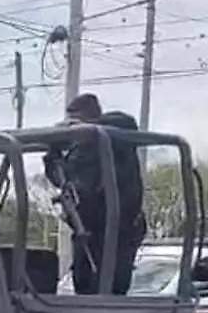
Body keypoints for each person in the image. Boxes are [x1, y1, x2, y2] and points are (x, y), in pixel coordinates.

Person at [43, 93, 147, 295]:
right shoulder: (82, 152)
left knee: (111, 287)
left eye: (76, 121)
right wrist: (53, 152)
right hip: (88, 232)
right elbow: (64, 178)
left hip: (117, 232)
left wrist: (90, 128)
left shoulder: (114, 139)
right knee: (85, 285)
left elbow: (126, 123)